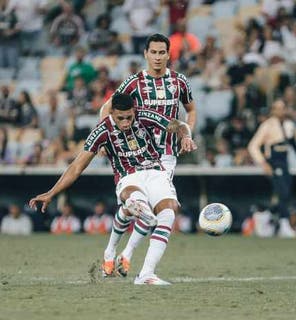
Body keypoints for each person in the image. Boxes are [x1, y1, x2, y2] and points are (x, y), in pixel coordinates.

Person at [29, 93, 197, 285]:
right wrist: (52, 192)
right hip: (128, 176)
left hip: (155, 171)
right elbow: (76, 166)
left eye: (129, 117)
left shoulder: (145, 115)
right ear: (112, 113)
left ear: (134, 111)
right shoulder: (102, 130)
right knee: (135, 198)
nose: (125, 122)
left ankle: (146, 274)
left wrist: (185, 136)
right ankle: (128, 220)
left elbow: (178, 125)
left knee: (169, 212)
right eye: (120, 118)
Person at [99, 34, 197, 271]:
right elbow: (107, 108)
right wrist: (107, 138)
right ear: (145, 54)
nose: (157, 57)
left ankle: (127, 254)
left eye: (162, 52)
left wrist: (187, 135)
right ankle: (115, 251)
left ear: (168, 54)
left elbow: (191, 110)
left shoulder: (179, 82)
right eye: (153, 52)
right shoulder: (133, 83)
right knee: (140, 205)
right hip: (135, 155)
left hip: (166, 155)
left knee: (156, 209)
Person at [248, 99, 296, 238]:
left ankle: (265, 216)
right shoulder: (267, 125)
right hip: (273, 160)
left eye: (282, 108)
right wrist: (263, 162)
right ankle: (284, 224)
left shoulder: (289, 125)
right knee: (282, 192)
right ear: (272, 110)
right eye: (276, 108)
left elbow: (293, 144)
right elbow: (253, 145)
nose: (280, 111)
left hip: (285, 161)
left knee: (285, 193)